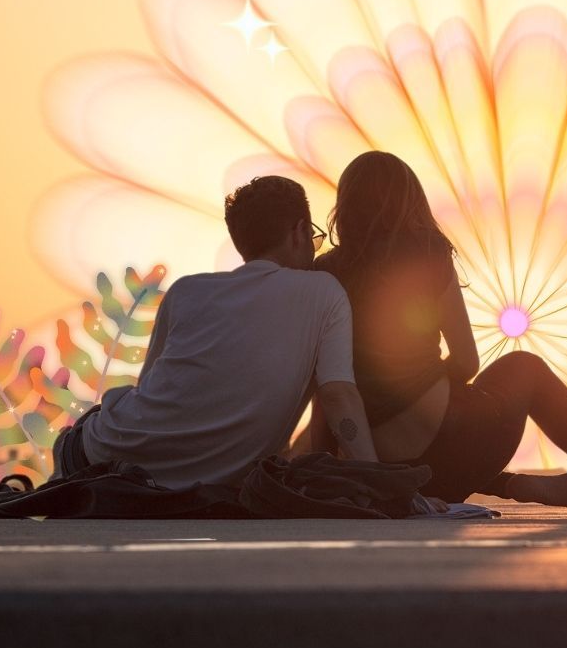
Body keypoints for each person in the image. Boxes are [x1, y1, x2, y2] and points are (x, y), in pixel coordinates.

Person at [311, 151, 567, 515]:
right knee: (525, 366)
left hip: (387, 470)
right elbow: (467, 360)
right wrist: (432, 384)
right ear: (410, 202)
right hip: (453, 446)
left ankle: (508, 485)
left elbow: (325, 388)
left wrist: (329, 464)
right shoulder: (427, 251)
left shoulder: (325, 273)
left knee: (401, 440)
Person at [51, 175, 380, 489]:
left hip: (105, 456)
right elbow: (338, 396)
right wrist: (380, 484)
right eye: (313, 237)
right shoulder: (324, 292)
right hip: (198, 481)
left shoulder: (185, 292)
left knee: (100, 422)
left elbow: (152, 389)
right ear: (299, 232)